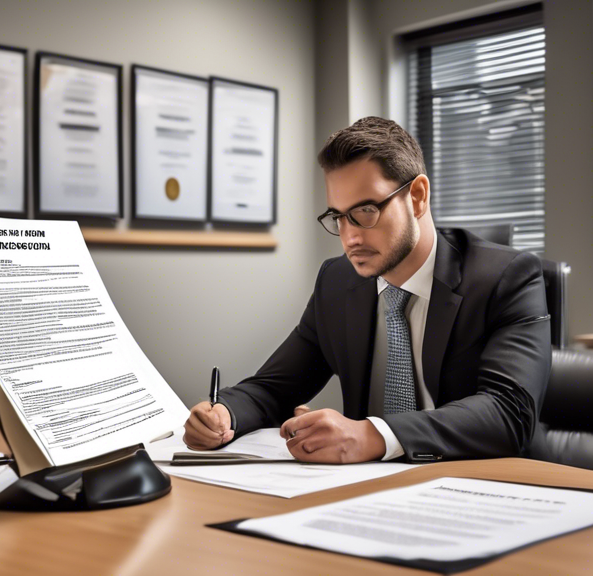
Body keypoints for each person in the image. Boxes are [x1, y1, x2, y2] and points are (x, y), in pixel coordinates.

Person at [183, 117, 551, 464]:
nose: (350, 237)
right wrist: (224, 414)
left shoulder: (506, 277)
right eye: (338, 217)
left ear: (418, 196)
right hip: (367, 494)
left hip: (478, 490)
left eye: (365, 211)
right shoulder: (337, 282)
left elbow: (510, 413)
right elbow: (274, 388)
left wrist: (372, 436)